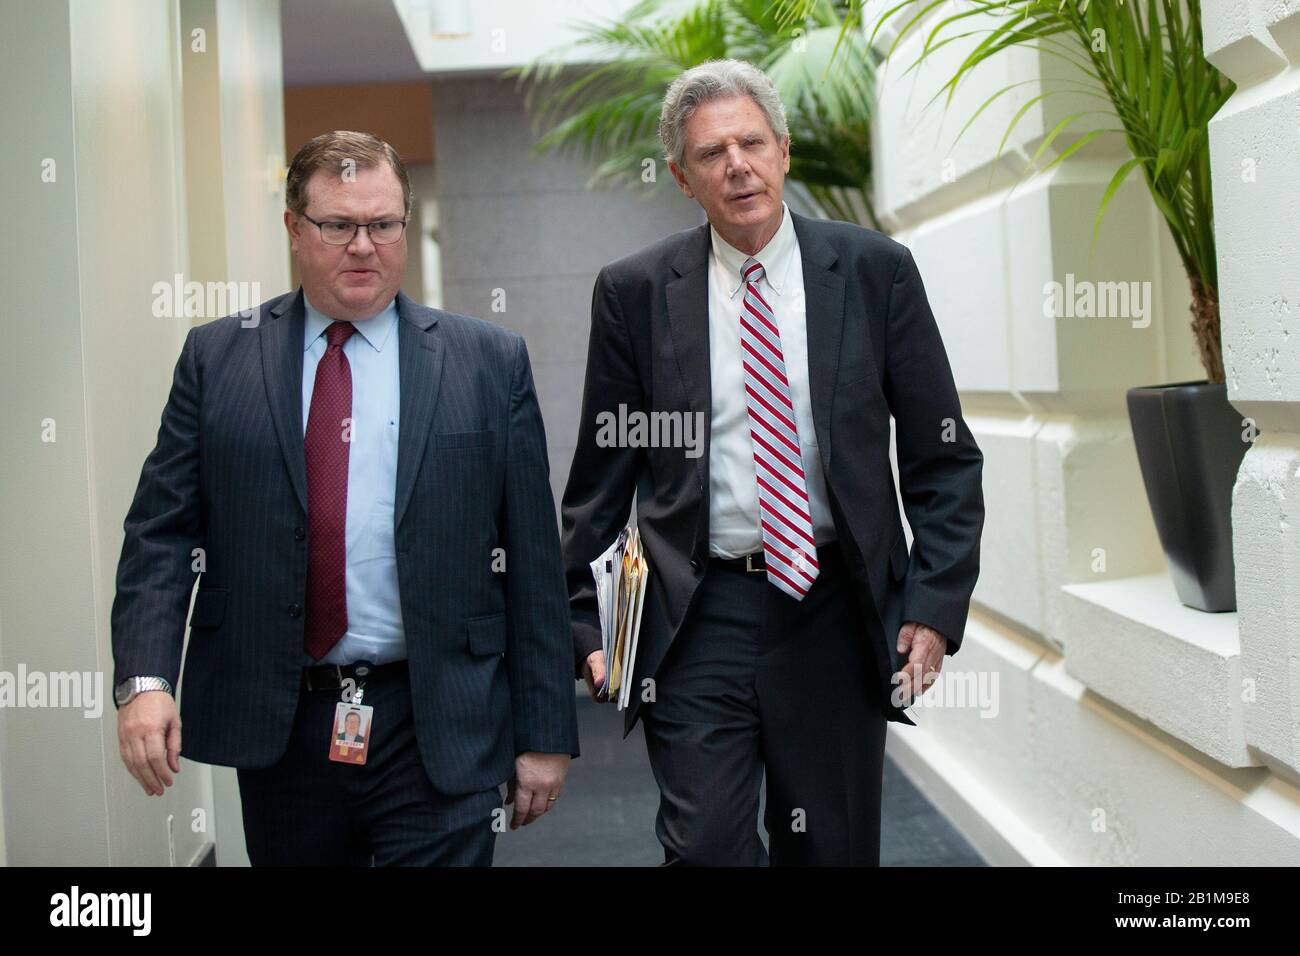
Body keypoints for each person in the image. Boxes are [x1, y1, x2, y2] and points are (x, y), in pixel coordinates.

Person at [111, 130, 578, 866]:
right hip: (282, 717)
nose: (364, 245)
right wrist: (145, 678)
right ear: (296, 229)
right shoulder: (219, 356)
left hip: (437, 715)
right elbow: (161, 533)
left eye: (383, 224)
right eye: (338, 225)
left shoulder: (485, 360)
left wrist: (546, 730)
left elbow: (531, 557)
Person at [561, 60, 984, 866]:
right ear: (684, 180)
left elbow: (944, 458)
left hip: (832, 608)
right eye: (711, 154)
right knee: (707, 846)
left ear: (783, 151)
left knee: (831, 847)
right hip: (695, 614)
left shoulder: (873, 272)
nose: (736, 165)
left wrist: (932, 605)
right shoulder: (635, 292)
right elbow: (599, 478)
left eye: (751, 142)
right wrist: (587, 622)